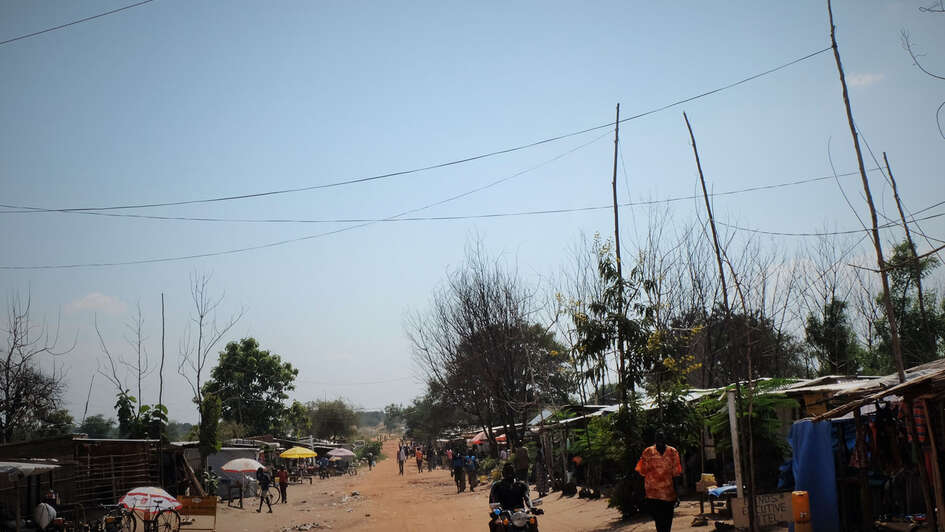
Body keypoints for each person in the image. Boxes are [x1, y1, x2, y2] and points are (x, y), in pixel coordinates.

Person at [635, 431, 683, 532]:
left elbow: (676, 474)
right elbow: (642, 472)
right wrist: (642, 493)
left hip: (669, 494)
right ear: (655, 440)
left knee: (668, 520)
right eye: (658, 438)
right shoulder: (648, 452)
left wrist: (677, 494)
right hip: (653, 494)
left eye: (661, 438)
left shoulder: (672, 452)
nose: (660, 441)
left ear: (665, 439)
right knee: (659, 520)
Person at [488, 464, 537, 532]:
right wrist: (496, 511)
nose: (509, 473)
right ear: (503, 473)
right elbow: (494, 502)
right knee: (497, 525)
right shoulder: (497, 486)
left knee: (532, 521)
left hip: (521, 513)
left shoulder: (521, 485)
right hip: (504, 513)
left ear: (514, 472)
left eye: (511, 471)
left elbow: (527, 498)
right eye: (507, 471)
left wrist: (532, 507)